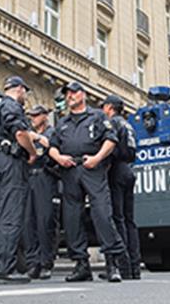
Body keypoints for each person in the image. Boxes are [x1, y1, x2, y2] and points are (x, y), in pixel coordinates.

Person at [48, 82, 125, 283]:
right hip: (69, 169)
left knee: (102, 213)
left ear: (83, 94)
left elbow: (111, 140)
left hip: (92, 167)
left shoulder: (98, 116)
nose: (70, 96)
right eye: (67, 94)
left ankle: (112, 264)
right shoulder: (62, 122)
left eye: (73, 92)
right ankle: (81, 264)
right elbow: (52, 146)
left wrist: (97, 158)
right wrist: (58, 158)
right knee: (72, 217)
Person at [0, 76, 48, 283]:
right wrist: (32, 152)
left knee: (0, 216)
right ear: (20, 89)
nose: (25, 96)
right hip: (12, 164)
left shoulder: (0, 107)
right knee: (11, 216)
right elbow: (21, 133)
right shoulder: (12, 106)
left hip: (1, 161)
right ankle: (5, 268)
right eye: (25, 92)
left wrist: (37, 137)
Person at [101, 95, 140, 280]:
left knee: (118, 218)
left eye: (104, 106)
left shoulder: (113, 123)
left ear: (110, 107)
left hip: (116, 170)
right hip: (129, 170)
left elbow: (111, 145)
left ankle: (123, 266)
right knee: (130, 220)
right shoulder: (128, 125)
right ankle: (134, 267)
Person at [22, 104, 59, 279]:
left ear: (45, 116)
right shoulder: (29, 133)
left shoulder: (52, 134)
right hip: (29, 177)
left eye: (36, 115)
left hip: (46, 176)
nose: (33, 119)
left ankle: (46, 262)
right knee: (28, 222)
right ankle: (32, 262)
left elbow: (53, 152)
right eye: (31, 116)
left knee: (45, 221)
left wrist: (41, 141)